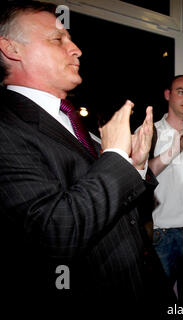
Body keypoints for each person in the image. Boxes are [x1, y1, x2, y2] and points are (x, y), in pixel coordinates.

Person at [0, 0, 173, 312]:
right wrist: (118, 157)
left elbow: (118, 205)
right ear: (12, 49)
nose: (76, 49)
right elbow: (56, 232)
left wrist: (134, 165)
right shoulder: (6, 127)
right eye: (57, 39)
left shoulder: (74, 122)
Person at [145, 75, 183, 300]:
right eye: (181, 91)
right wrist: (172, 151)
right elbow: (139, 176)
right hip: (162, 235)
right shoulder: (149, 132)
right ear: (167, 95)